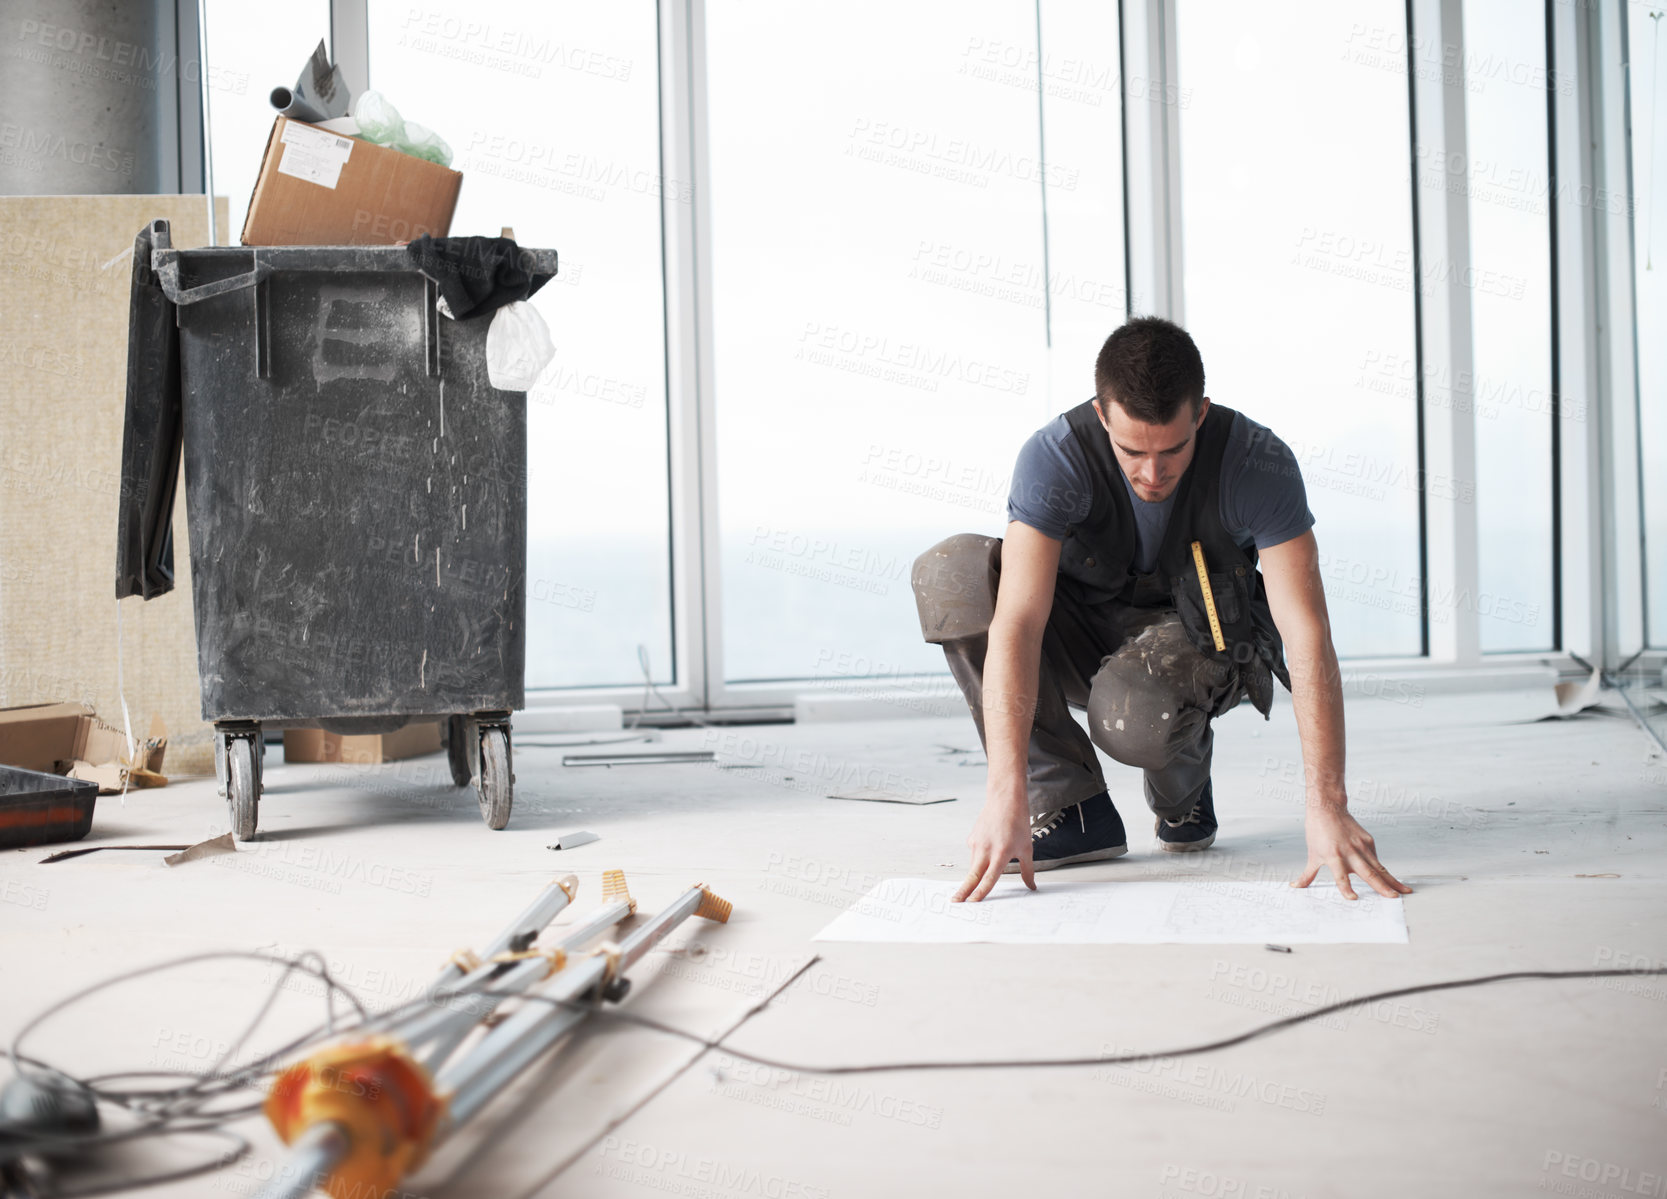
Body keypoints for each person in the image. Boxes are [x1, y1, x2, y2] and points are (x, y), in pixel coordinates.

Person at [910, 316, 1412, 905]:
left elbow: (1306, 631)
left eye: (1173, 449)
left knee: (1133, 714)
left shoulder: (1258, 462)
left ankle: (1183, 791)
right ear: (1102, 414)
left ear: (1200, 413)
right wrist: (1003, 793)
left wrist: (1328, 805)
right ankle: (1069, 806)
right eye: (1132, 451)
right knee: (951, 570)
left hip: (1195, 641)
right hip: (1084, 634)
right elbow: (1018, 622)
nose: (1154, 473)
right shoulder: (1054, 457)